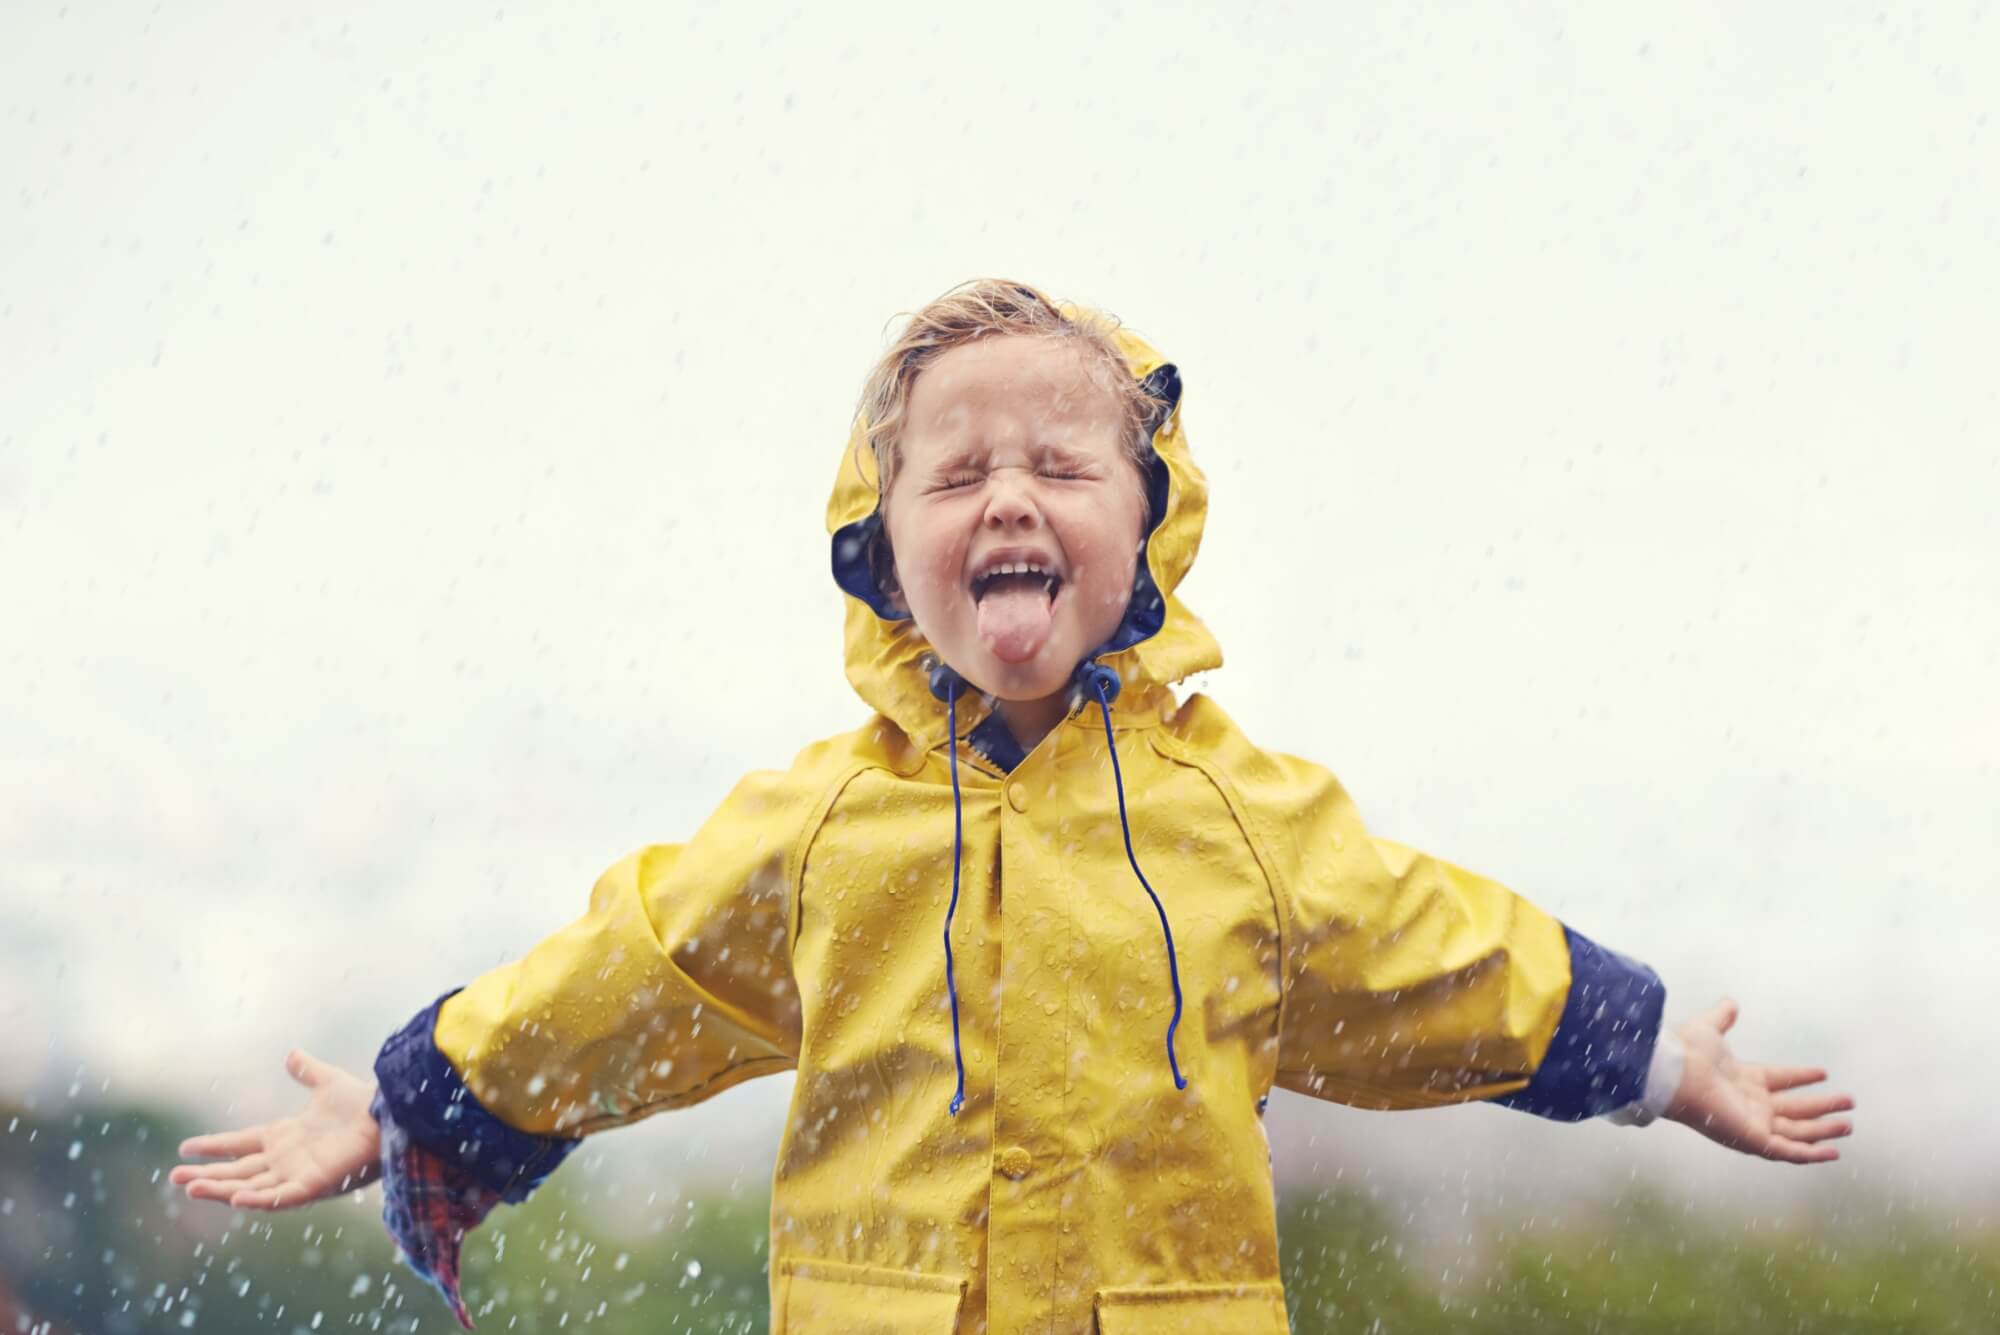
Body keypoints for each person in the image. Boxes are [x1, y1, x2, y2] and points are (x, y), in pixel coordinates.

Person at [172, 280, 1854, 1334]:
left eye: (1061, 465)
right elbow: (626, 973)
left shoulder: (1241, 821)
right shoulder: (822, 831)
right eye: (958, 472)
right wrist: (415, 1099)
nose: (1009, 499)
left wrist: (1659, 1058)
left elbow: (1437, 950)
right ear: (881, 546)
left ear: (1149, 522)